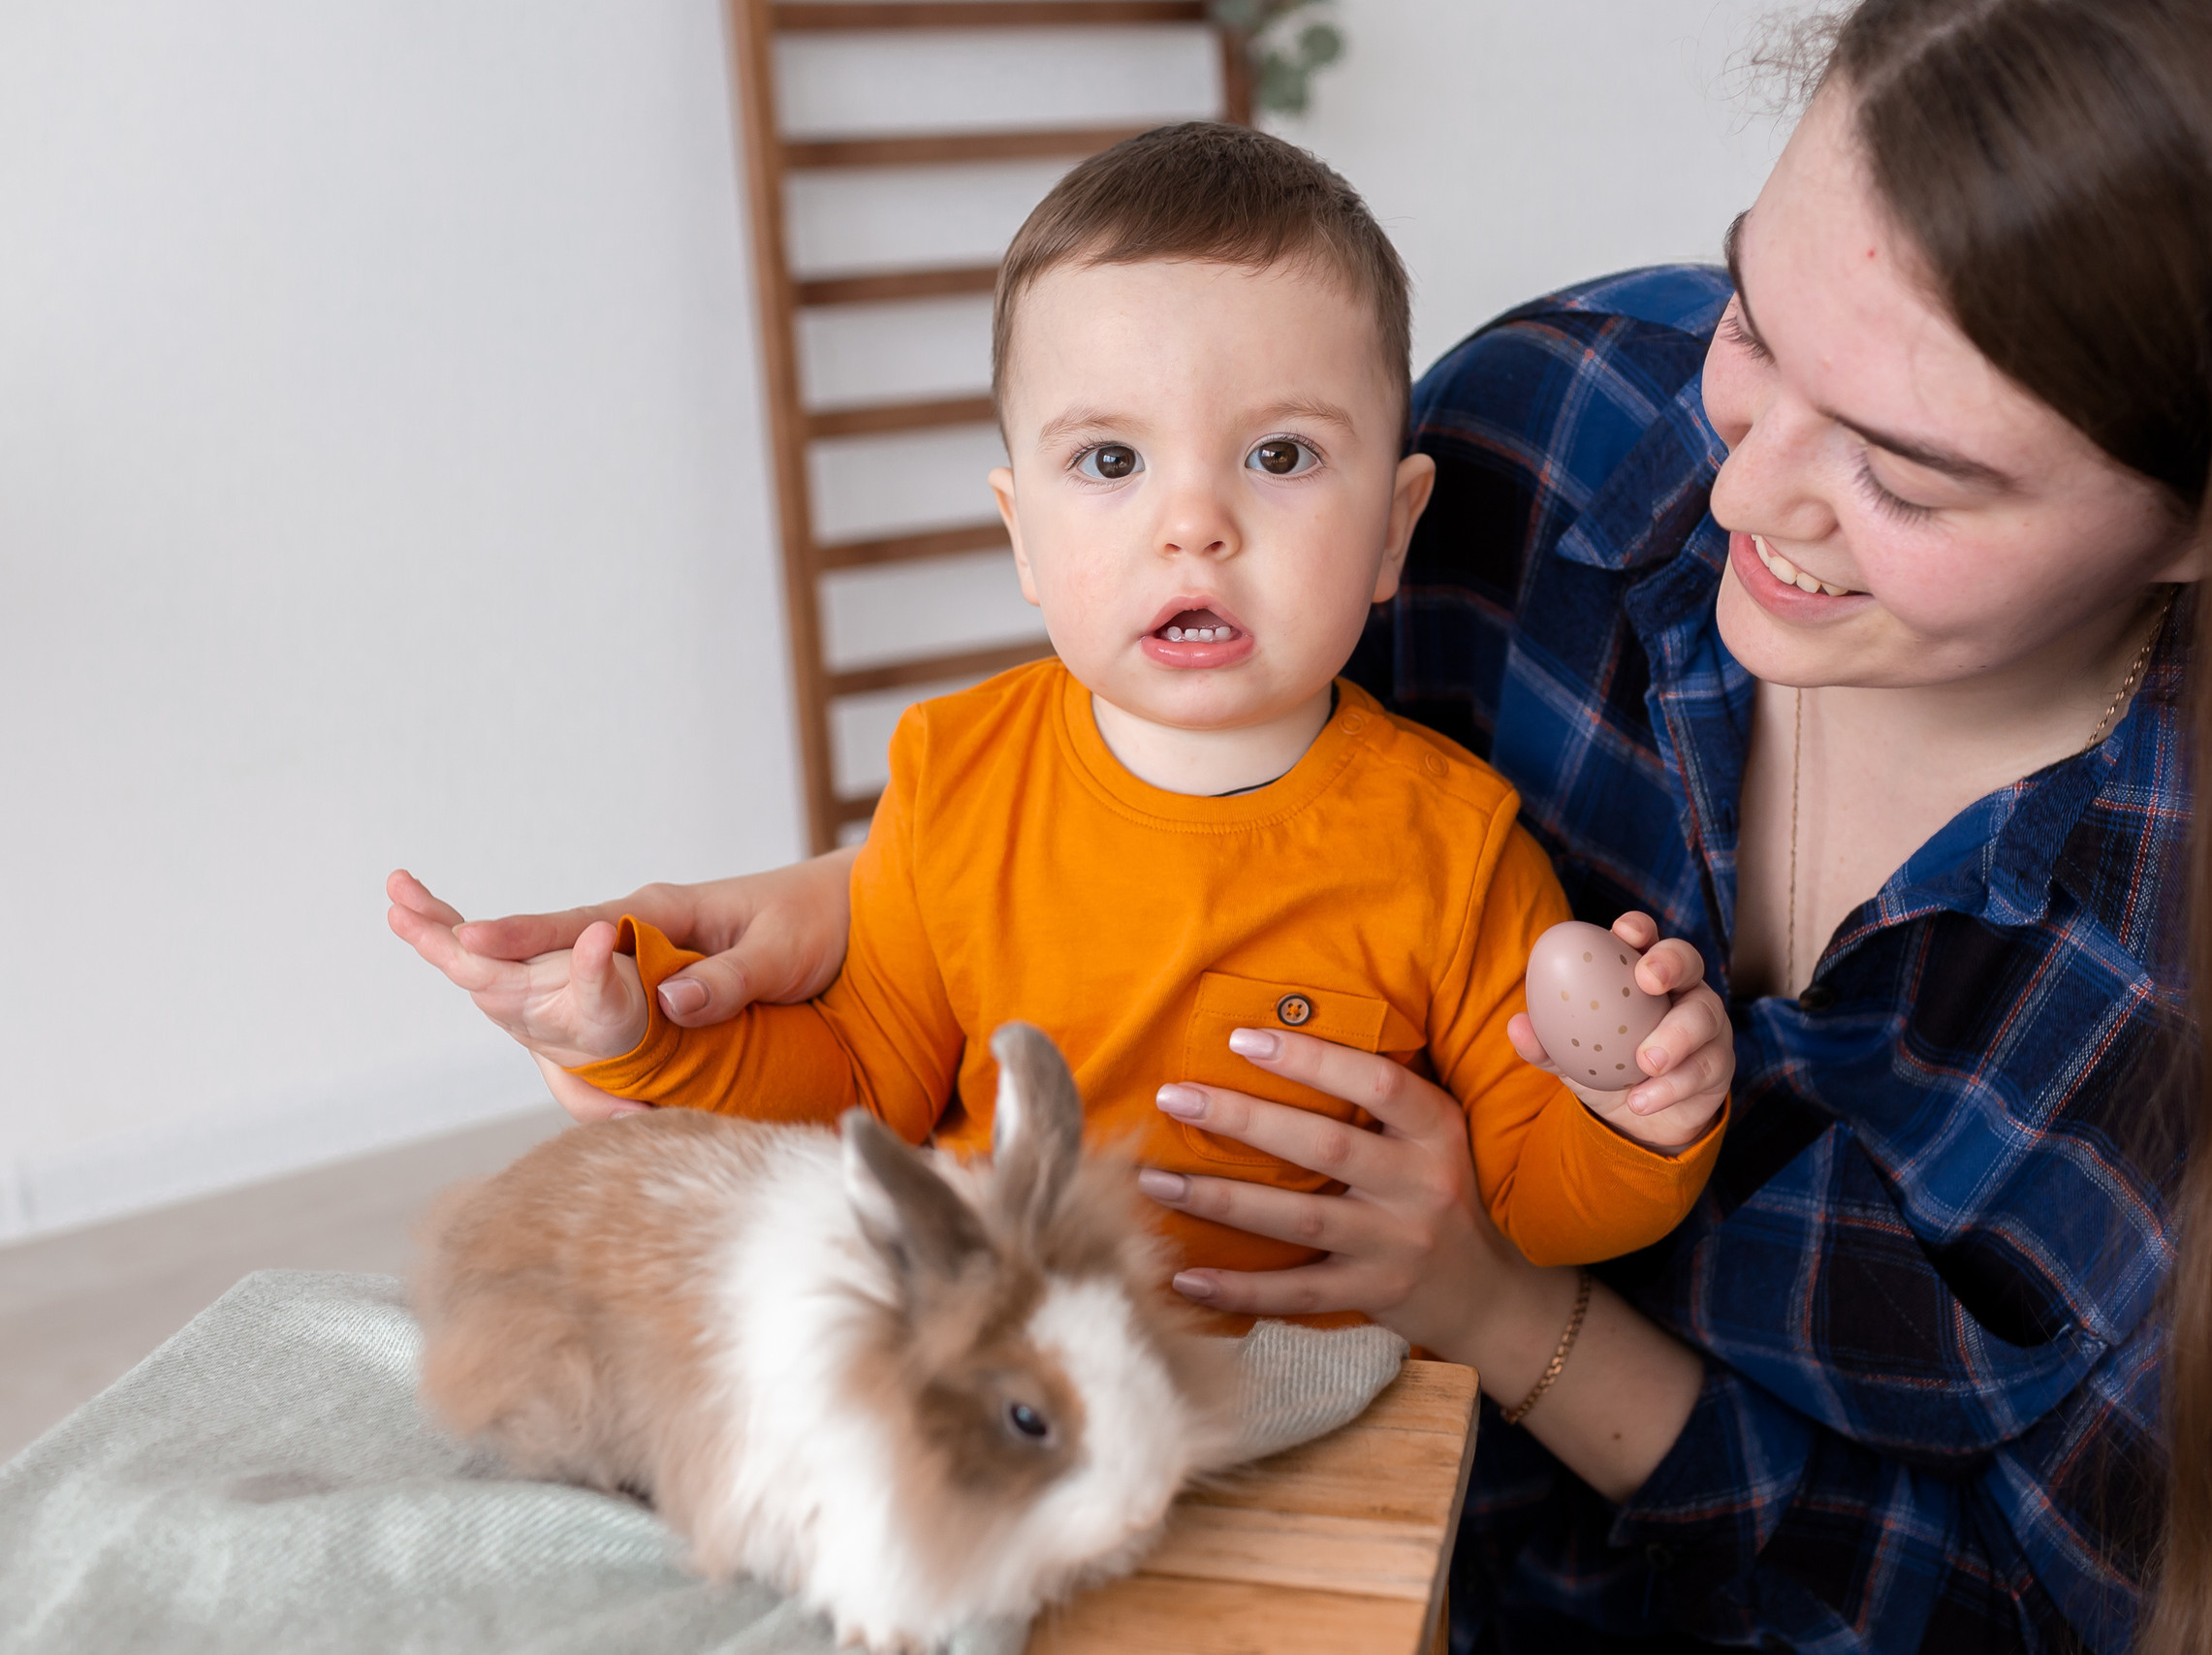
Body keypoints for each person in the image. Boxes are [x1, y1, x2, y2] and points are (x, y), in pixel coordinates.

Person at [420, 0, 2212, 1647]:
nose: (1740, 489)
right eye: (1757, 318)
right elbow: (1170, 806)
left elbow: (2021, 1605)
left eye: (1912, 476)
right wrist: (842, 904)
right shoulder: (1551, 437)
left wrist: (1501, 1303)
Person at [388, 124, 1737, 1326]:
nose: (1191, 521)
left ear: (1393, 528)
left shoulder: (1454, 842)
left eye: (1280, 456)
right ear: (1021, 532)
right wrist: (647, 1033)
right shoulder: (956, 776)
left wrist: (1637, 1120)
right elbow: (860, 1081)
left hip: (1303, 1405)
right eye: (1110, 461)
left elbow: (1540, 1205)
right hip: (998, 1370)